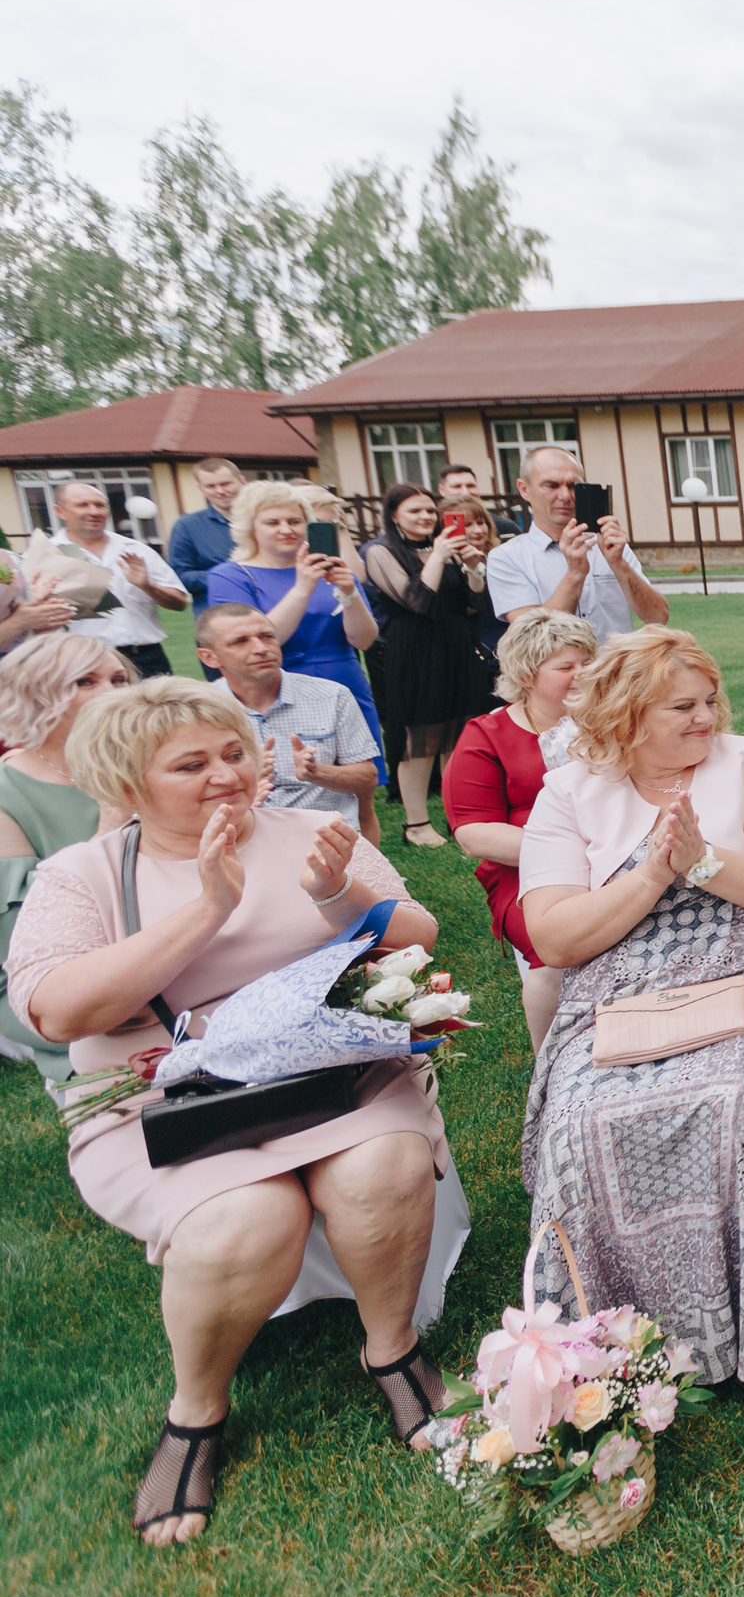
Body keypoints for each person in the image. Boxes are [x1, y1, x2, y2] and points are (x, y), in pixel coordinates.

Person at [10, 678, 455, 1545]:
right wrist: (208, 906)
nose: (226, 774)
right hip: (166, 1099)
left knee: (386, 1166)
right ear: (128, 783)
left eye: (233, 752)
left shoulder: (306, 830)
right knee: (244, 1220)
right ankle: (197, 1409)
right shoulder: (84, 875)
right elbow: (60, 1011)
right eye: (190, 764)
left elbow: (421, 932)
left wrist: (337, 894)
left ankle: (393, 1347)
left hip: (328, 1080)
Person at [517, 626, 744, 1424]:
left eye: (709, 701)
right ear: (628, 717)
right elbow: (556, 936)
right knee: (580, 1123)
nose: (707, 719)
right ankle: (611, 1344)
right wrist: (651, 871)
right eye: (682, 707)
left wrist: (701, 859)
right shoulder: (567, 792)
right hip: (624, 977)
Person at [445, 609, 597, 1050]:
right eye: (566, 667)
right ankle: (549, 1064)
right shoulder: (486, 735)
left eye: (588, 662)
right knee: (550, 951)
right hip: (525, 869)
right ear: (528, 674)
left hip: (620, 850)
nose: (582, 674)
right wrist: (570, 851)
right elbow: (474, 834)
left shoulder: (611, 719)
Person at [204, 482, 383, 823]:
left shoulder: (334, 568)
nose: (286, 530)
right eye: (272, 522)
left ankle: (369, 865)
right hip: (267, 684)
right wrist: (303, 587)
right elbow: (256, 640)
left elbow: (363, 639)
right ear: (250, 528)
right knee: (277, 782)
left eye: (295, 521)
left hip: (341, 677)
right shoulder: (230, 576)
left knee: (359, 788)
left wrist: (349, 593)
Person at [0, 635, 136, 1079]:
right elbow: (23, 929)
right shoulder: (8, 791)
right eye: (85, 681)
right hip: (63, 973)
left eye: (120, 678)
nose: (113, 692)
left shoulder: (148, 759)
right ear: (37, 694)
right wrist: (112, 823)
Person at [360, 483, 499, 847]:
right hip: (416, 649)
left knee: (458, 734)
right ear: (394, 515)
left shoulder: (447, 547)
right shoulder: (380, 552)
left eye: (428, 511)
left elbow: (472, 602)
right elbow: (417, 601)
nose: (425, 518)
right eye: (414, 511)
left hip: (457, 644)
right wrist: (438, 556)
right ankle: (416, 824)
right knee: (419, 738)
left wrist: (473, 568)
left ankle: (460, 815)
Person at [195, 604, 379, 830]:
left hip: (325, 836)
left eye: (267, 637)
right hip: (242, 839)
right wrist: (243, 780)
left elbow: (367, 777)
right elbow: (185, 798)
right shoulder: (198, 711)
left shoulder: (331, 695)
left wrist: (317, 772)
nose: (261, 648)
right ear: (210, 658)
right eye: (240, 641)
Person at [484, 446, 668, 637]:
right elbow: (533, 637)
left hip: (615, 667)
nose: (565, 496)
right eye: (552, 485)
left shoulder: (608, 545)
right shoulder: (506, 558)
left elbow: (658, 617)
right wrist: (575, 574)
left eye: (573, 486)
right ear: (524, 489)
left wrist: (619, 564)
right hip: (559, 667)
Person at [45, 482, 190, 679]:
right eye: (83, 505)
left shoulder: (135, 550)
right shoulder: (47, 555)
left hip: (145, 660)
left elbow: (179, 603)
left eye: (100, 505)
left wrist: (147, 585)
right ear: (60, 511)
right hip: (82, 661)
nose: (94, 511)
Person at [167, 460, 246, 621]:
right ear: (200, 489)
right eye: (210, 486)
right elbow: (180, 576)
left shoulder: (265, 520)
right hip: (217, 618)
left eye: (226, 484)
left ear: (242, 481)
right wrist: (228, 575)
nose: (220, 491)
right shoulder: (187, 526)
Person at [440, 496, 511, 659]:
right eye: (467, 525)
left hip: (507, 643)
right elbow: (470, 607)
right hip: (473, 649)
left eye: (481, 522)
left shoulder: (501, 555)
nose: (478, 530)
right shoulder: (445, 564)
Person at [438, 461, 520, 535]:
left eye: (470, 486)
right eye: (457, 486)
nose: (465, 492)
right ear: (441, 490)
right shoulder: (434, 527)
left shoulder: (504, 527)